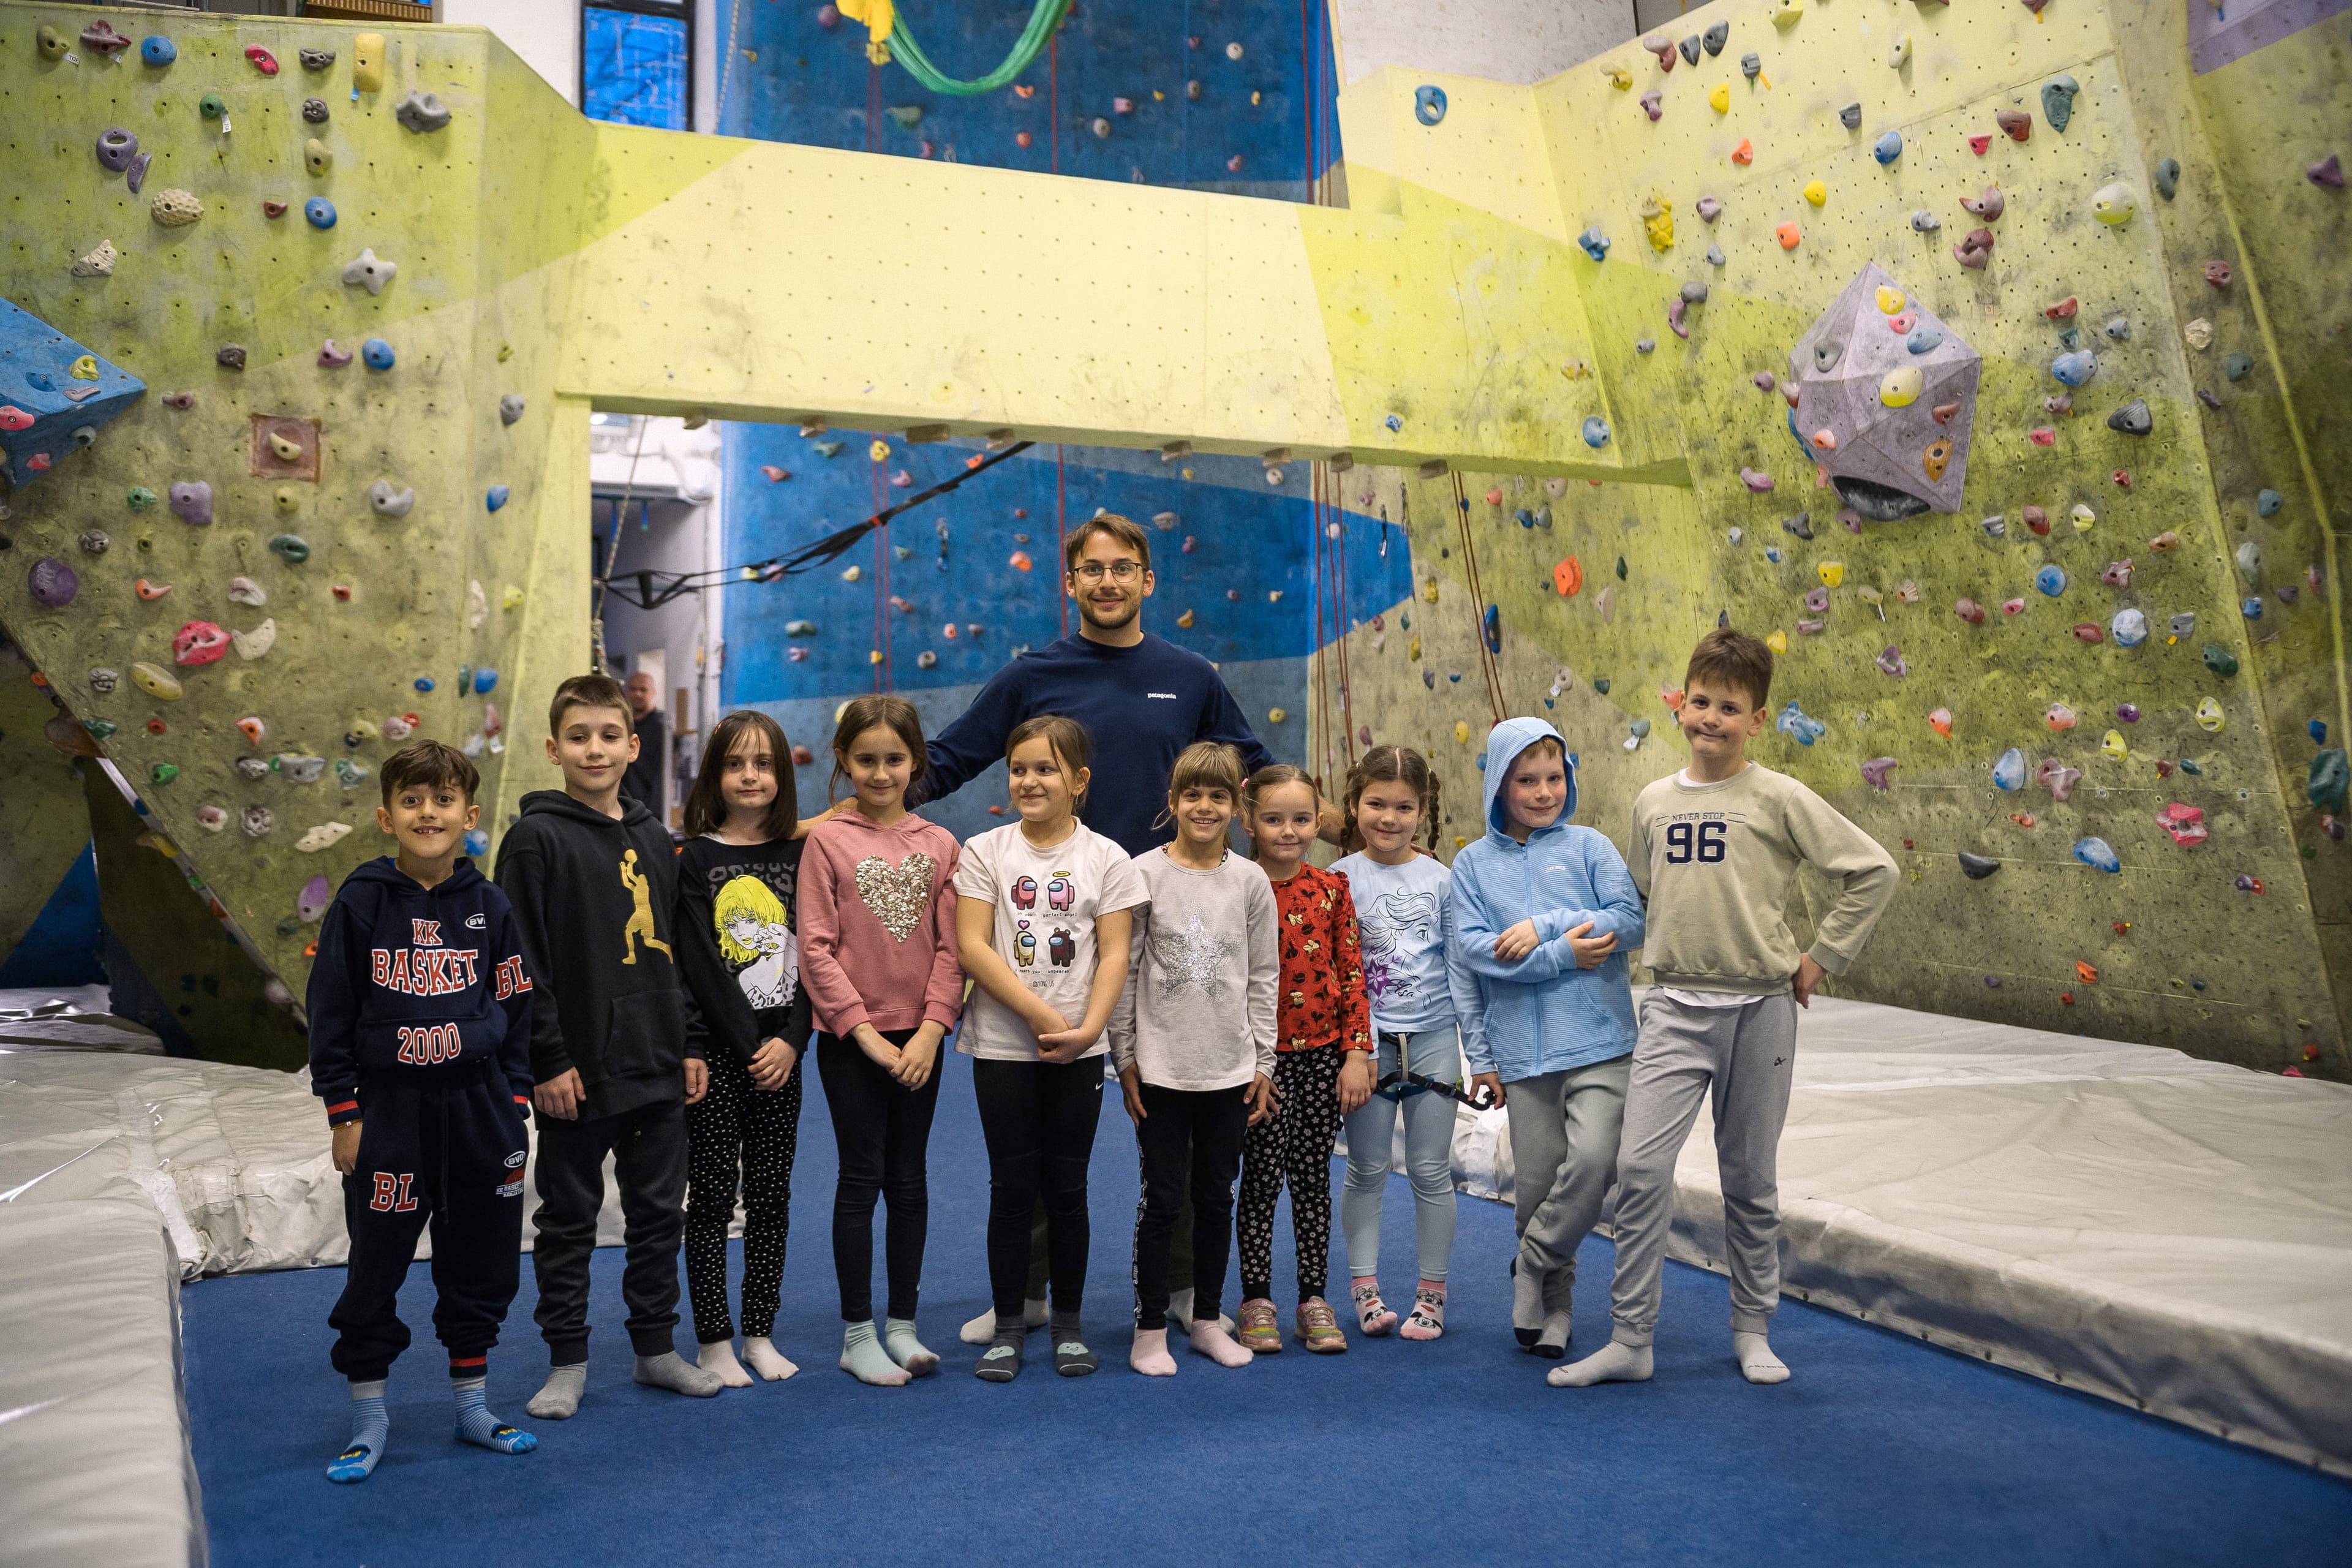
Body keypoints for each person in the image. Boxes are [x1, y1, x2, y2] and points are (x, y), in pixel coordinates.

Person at [1554, 629, 1896, 1390]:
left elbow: (1873, 871)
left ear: (1758, 719)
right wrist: (1571, 939)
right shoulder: (1653, 802)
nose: (1711, 717)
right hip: (1675, 1007)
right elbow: (1639, 901)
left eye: (1730, 707)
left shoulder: (1777, 797)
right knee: (1640, 1168)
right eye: (1700, 701)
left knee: (1749, 1177)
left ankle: (1752, 1326)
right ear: (1681, 703)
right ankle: (1632, 1336)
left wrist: (1821, 958)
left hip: (1760, 1012)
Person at [306, 741, 539, 1482]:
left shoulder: (490, 903)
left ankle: (472, 1405)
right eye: (412, 800)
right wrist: (345, 1111)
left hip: (478, 1111)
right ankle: (370, 1416)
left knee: (481, 1258)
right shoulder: (362, 901)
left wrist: (516, 1099)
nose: (428, 813)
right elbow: (331, 1012)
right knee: (377, 1261)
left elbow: (517, 1004)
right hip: (391, 1110)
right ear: (387, 815)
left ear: (470, 817)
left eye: (443, 801)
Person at [495, 673, 723, 1420]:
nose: (595, 749)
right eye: (579, 736)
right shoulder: (534, 840)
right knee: (568, 1218)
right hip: (578, 1073)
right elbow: (521, 962)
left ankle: (656, 1349)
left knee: (660, 1214)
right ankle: (568, 1360)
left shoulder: (658, 838)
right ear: (554, 747)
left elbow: (680, 954)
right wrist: (549, 1059)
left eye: (608, 735)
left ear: (633, 744)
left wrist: (689, 1040)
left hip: (657, 1061)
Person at [952, 716, 1146, 1381]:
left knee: (1067, 1189)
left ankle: (1067, 1324)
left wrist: (1090, 1028)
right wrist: (1043, 1016)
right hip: (1005, 1049)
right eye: (1020, 768)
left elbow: (1117, 951)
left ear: (1079, 781)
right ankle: (1010, 1323)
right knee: (1011, 1189)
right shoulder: (984, 850)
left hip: (1079, 1054)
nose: (1029, 780)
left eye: (1046, 769)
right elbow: (974, 946)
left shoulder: (1107, 859)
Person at [1450, 717, 1643, 1363]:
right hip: (1525, 1056)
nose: (1542, 791)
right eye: (1526, 780)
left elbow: (1630, 922)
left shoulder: (1590, 847)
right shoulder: (1472, 865)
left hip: (1601, 1042)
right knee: (1535, 1184)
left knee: (1593, 1161)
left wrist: (1545, 926)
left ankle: (1530, 1259)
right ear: (1499, 787)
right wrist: (1562, 957)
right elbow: (1475, 956)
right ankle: (1555, 1306)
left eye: (1554, 777)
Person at [796, 695, 963, 1386]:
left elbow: (954, 949)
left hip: (920, 1039)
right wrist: (863, 1033)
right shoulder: (827, 842)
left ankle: (903, 1324)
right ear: (844, 762)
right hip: (851, 1041)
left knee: (910, 1178)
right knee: (861, 1177)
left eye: (894, 759)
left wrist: (930, 1030)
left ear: (915, 763)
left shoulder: (940, 845)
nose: (880, 771)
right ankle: (858, 1332)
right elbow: (815, 947)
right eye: (866, 759)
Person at [1110, 742, 1279, 1377]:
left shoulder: (1249, 880)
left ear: (1237, 806)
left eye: (1218, 796)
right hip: (1160, 1069)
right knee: (1163, 1199)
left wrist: (1263, 1061)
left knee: (1215, 1198)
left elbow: (1264, 974)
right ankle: (1149, 1328)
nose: (1204, 807)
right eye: (1192, 795)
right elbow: (1123, 971)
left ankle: (1206, 1318)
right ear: (1173, 801)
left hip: (1230, 1071)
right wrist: (1124, 1059)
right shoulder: (1143, 873)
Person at [674, 710, 815, 1388]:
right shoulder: (696, 857)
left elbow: (817, 955)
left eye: (763, 763)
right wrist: (731, 1041)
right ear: (717, 775)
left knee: (771, 1195)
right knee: (709, 1199)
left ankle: (759, 1330)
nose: (750, 775)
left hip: (782, 1057)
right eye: (736, 764)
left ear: (782, 774)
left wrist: (792, 1040)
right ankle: (713, 1339)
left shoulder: (801, 856)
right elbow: (697, 963)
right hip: (722, 1057)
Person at [1332, 745, 1479, 1341]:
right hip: (1367, 1048)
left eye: (1403, 806)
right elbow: (1340, 975)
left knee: (1429, 1169)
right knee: (1366, 1167)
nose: (1388, 818)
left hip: (1435, 1036)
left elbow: (1462, 971)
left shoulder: (1443, 880)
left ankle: (1432, 1295)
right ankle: (1365, 1291)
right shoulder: (1338, 880)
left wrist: (1481, 1057)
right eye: (1375, 804)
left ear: (1423, 810)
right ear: (1353, 804)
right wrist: (1354, 1049)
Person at [1232, 764, 1372, 1355]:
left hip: (1320, 1059)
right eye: (1273, 819)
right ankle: (1256, 1297)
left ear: (1319, 821)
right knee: (1260, 1182)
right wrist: (1244, 1062)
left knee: (1312, 1180)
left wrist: (1356, 1052)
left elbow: (1351, 972)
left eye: (1300, 819)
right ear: (1250, 821)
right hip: (1257, 1063)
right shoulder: (1237, 885)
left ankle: (1313, 1298)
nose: (1288, 831)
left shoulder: (1333, 889)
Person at [620, 670, 668, 813]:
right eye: (633, 689)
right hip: (623, 807)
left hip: (652, 809)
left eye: (643, 690)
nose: (638, 694)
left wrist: (653, 812)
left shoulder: (662, 728)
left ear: (653, 692)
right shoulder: (622, 726)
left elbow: (664, 774)